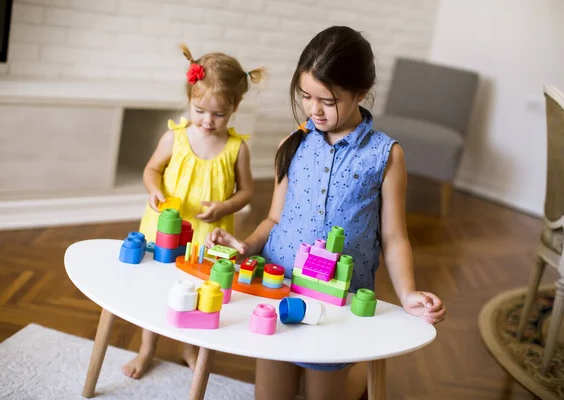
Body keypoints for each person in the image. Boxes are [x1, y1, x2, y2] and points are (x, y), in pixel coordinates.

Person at [206, 26, 446, 400]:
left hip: (339, 301)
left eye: (328, 100)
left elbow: (394, 236)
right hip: (277, 288)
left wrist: (408, 291)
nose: (314, 109)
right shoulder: (293, 143)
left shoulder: (385, 155)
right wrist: (245, 246)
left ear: (361, 93)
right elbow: (273, 219)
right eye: (305, 96)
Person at [122, 43, 264, 379]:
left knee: (200, 291)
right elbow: (151, 169)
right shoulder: (176, 138)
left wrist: (225, 206)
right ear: (190, 99)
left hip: (207, 234)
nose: (208, 121)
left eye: (219, 114)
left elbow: (246, 191)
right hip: (166, 227)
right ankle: (147, 348)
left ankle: (189, 346)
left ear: (235, 107)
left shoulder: (236, 148)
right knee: (160, 287)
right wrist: (155, 189)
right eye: (199, 110)